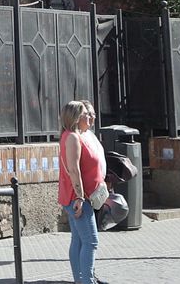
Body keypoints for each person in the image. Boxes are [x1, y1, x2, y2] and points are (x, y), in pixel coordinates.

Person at [58, 98, 106, 284]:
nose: (90, 117)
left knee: (78, 239)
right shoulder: (72, 137)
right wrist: (79, 197)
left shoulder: (75, 136)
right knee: (91, 241)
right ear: (77, 117)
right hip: (78, 198)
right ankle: (87, 281)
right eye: (86, 114)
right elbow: (74, 170)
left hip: (78, 197)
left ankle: (81, 280)